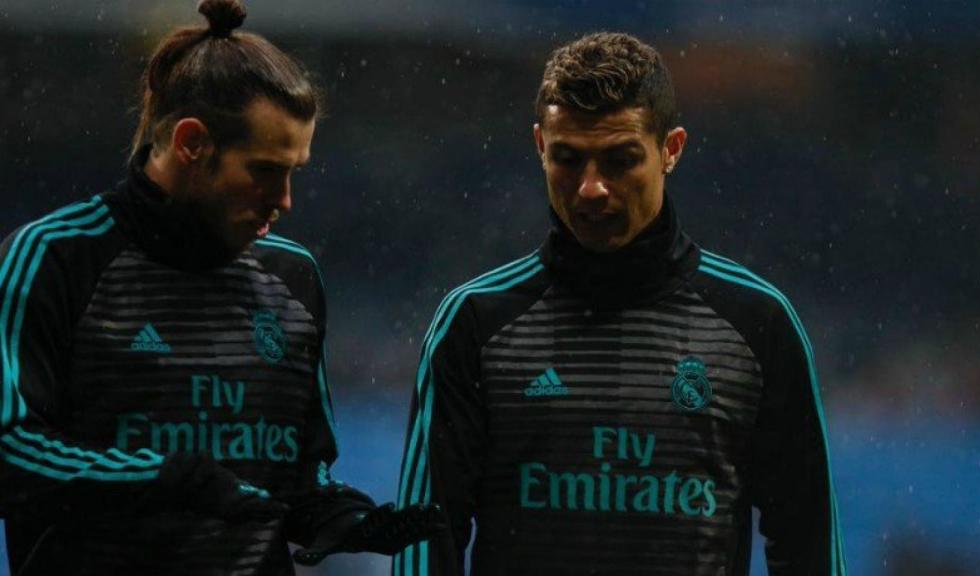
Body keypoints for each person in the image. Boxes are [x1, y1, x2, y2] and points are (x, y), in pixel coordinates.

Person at [0, 1, 441, 574]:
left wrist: (338, 514)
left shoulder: (293, 278)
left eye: (294, 171)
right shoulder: (53, 256)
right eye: (264, 170)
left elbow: (300, 472)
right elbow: (10, 449)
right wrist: (167, 479)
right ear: (190, 144)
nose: (284, 200)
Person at [394, 32, 846, 575]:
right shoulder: (474, 321)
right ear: (540, 147)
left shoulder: (758, 322)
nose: (591, 188)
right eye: (568, 158)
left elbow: (807, 544)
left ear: (671, 150)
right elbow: (426, 539)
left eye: (619, 160)